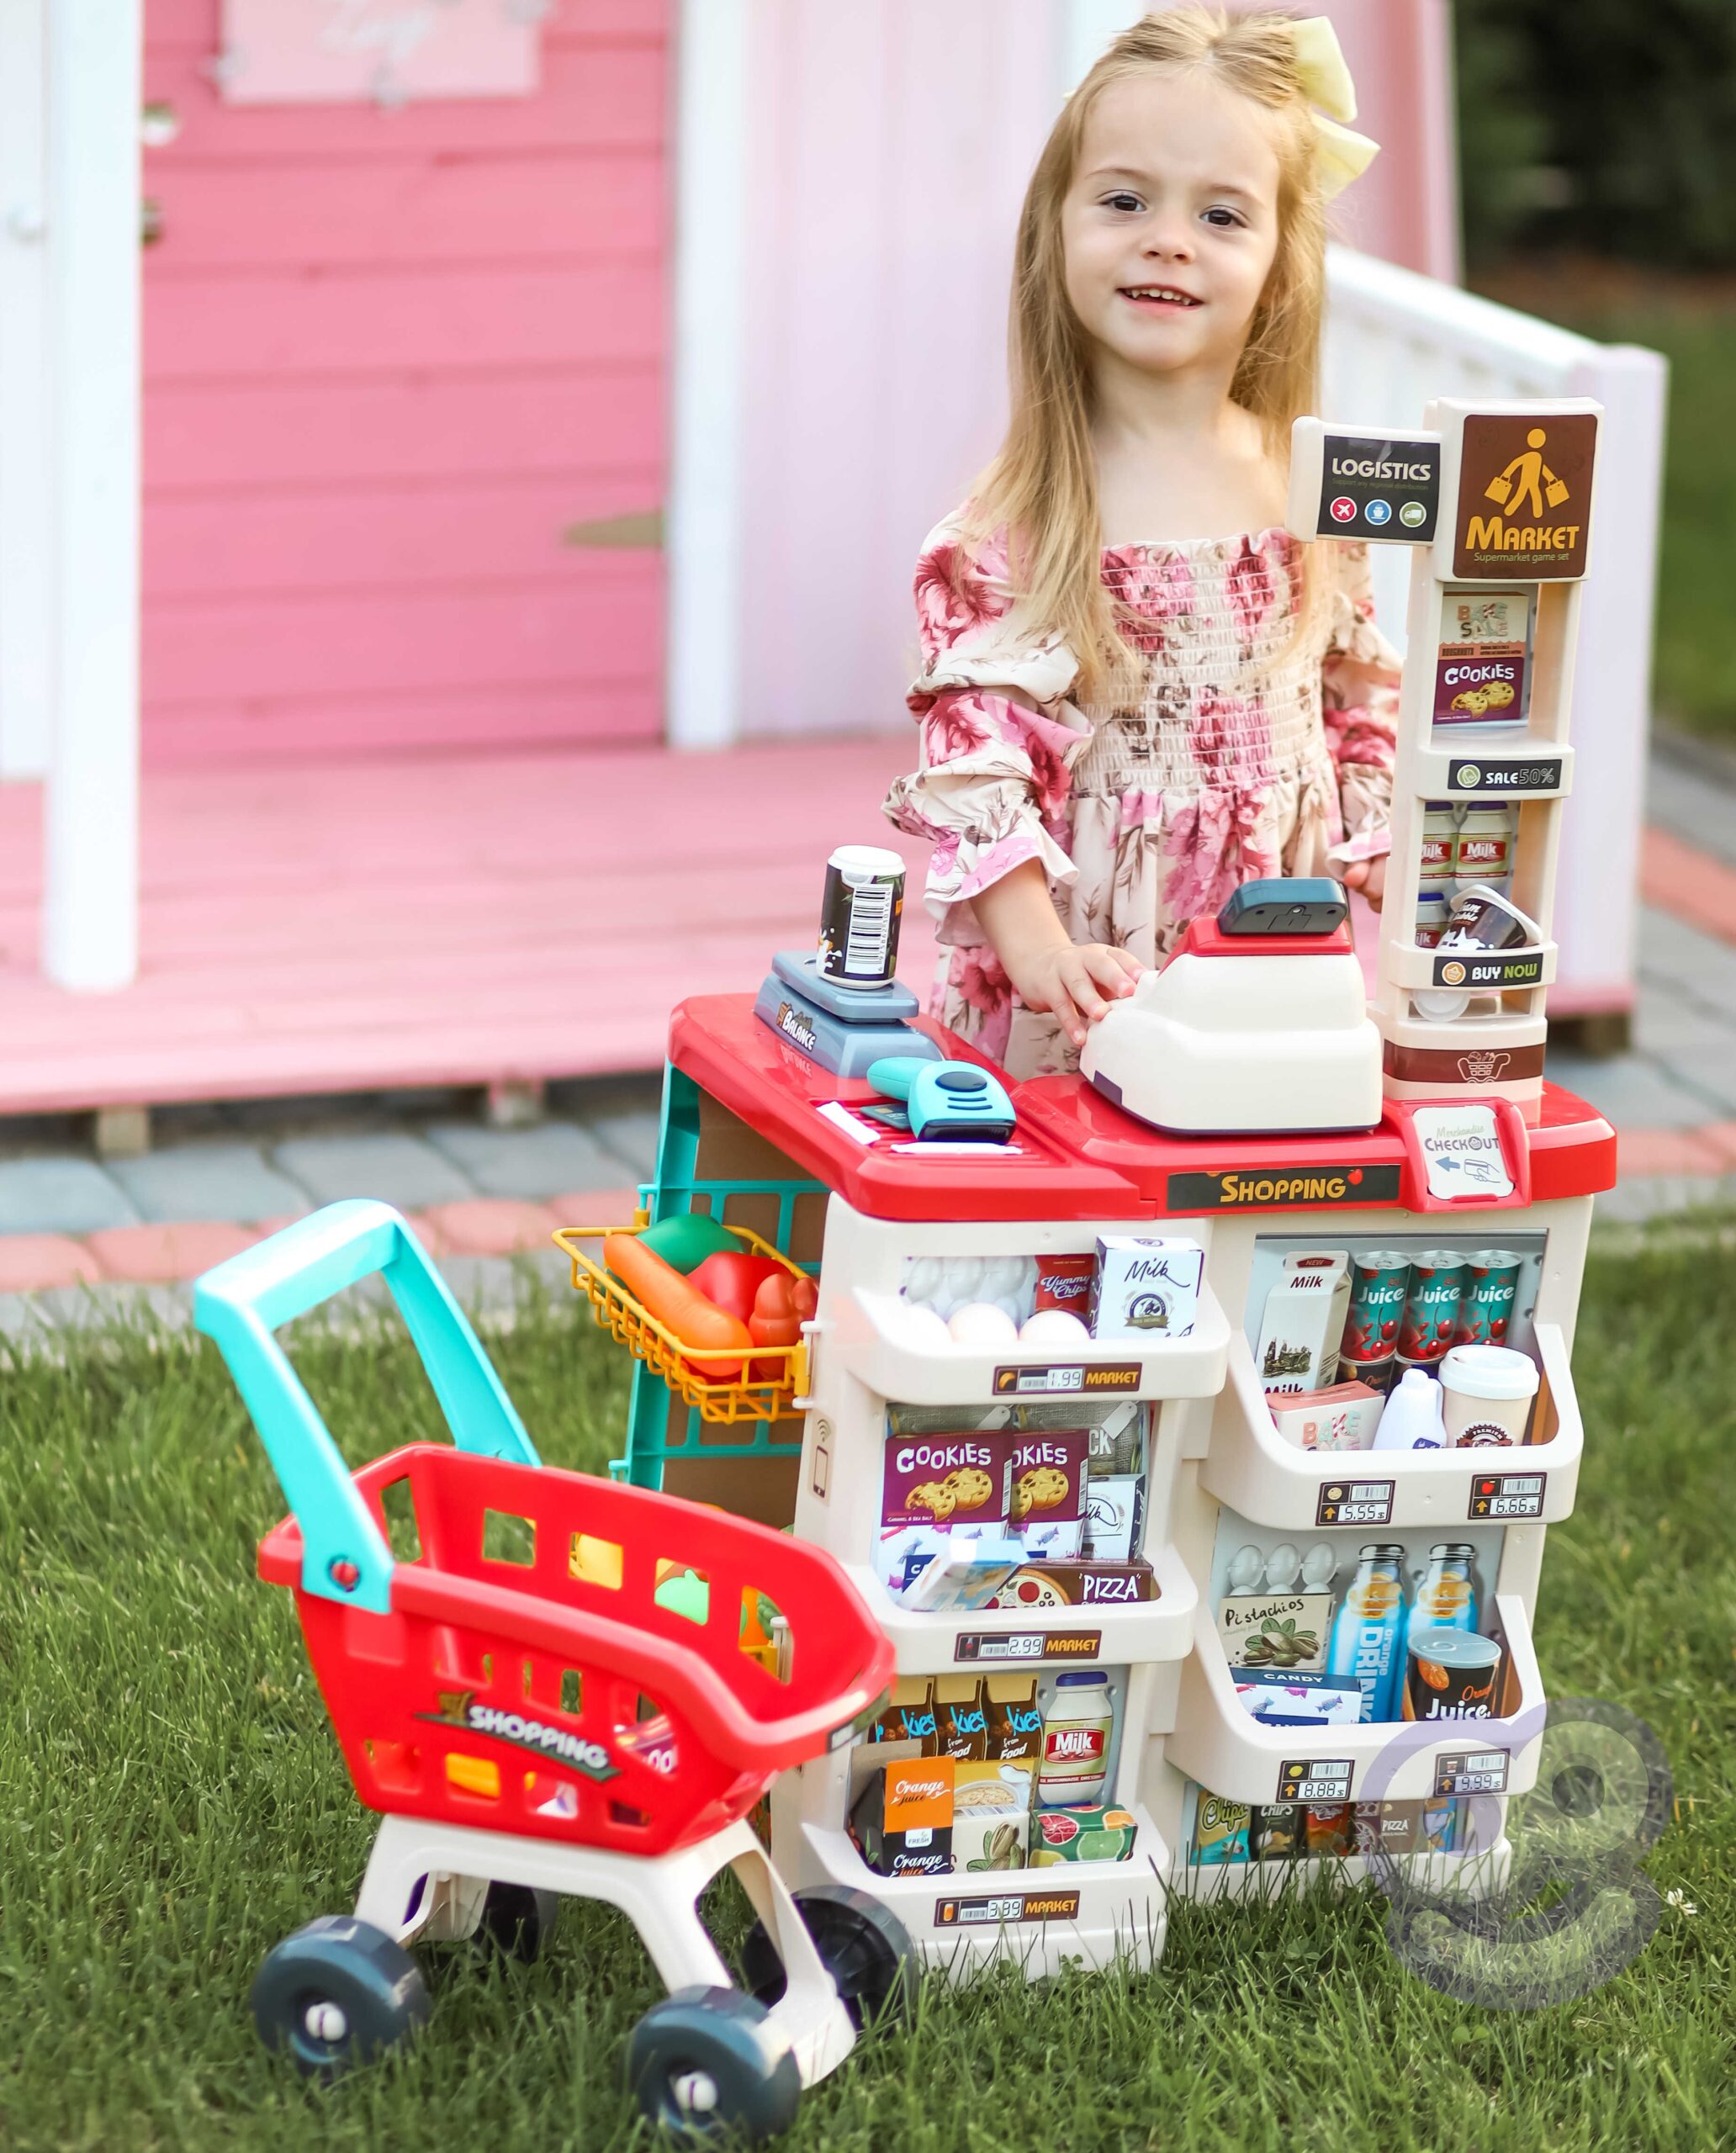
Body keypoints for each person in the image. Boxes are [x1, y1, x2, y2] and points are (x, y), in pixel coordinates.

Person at [884, 8, 1400, 1077]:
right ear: (1055, 229)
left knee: (1255, 1212)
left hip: (1272, 965)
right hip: (1086, 989)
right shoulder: (1021, 528)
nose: (1168, 237)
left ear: (1279, 263)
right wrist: (1045, 956)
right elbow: (980, 766)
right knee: (1082, 1235)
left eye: (1222, 214)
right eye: (1124, 201)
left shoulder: (1313, 488)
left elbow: (1356, 695)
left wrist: (1388, 841)